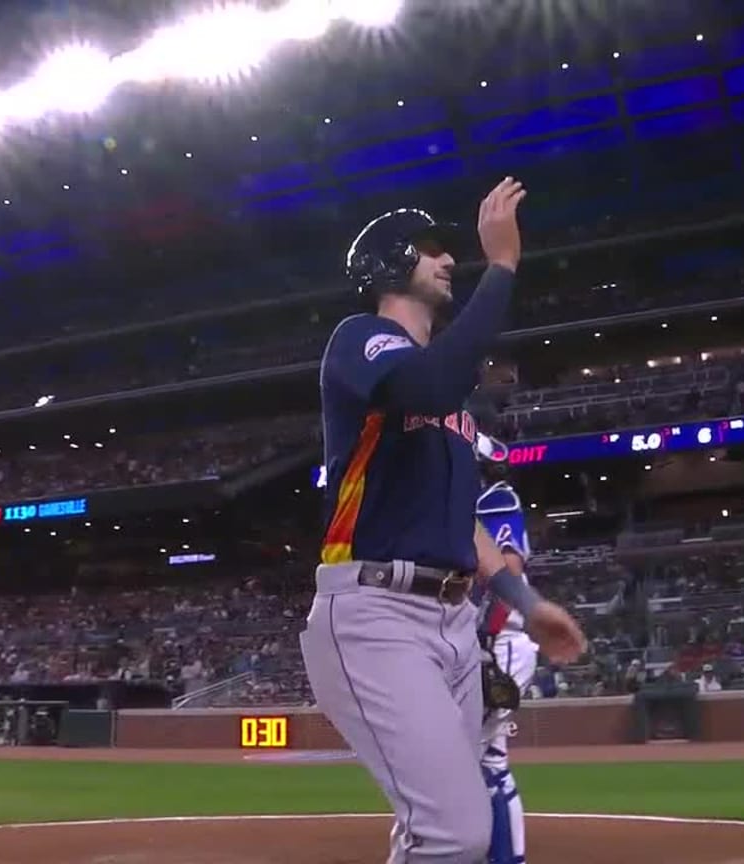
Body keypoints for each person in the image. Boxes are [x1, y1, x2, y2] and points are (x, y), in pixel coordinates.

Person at [303, 179, 586, 864]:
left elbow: (463, 523)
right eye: (430, 249)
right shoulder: (359, 340)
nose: (447, 259)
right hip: (374, 612)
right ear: (389, 263)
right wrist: (505, 268)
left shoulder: (457, 409)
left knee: (437, 832)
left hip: (453, 620)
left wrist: (525, 601)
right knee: (456, 834)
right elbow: (426, 385)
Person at [471, 431, 539, 864]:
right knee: (480, 761)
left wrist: (486, 644)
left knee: (488, 760)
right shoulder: (472, 502)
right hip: (486, 642)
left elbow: (508, 572)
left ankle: (505, 858)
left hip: (500, 641)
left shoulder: (493, 500)